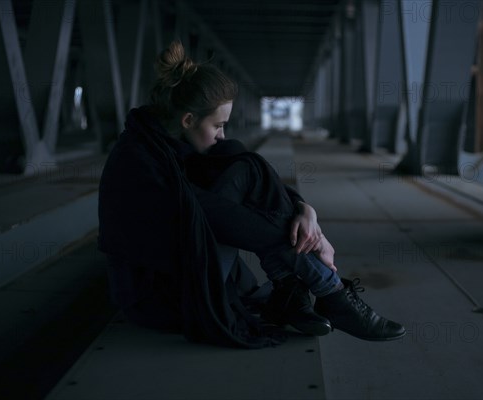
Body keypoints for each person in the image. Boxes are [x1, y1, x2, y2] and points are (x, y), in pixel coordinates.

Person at [98, 40, 405, 348]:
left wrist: (303, 208)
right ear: (188, 120)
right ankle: (331, 293)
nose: (221, 134)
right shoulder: (139, 163)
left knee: (244, 164)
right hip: (159, 298)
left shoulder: (161, 142)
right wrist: (312, 241)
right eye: (217, 125)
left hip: (182, 270)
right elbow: (219, 217)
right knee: (245, 171)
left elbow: (245, 181)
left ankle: (291, 291)